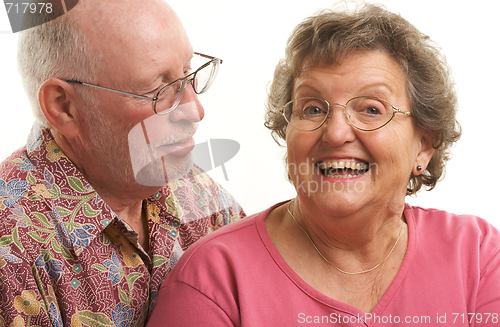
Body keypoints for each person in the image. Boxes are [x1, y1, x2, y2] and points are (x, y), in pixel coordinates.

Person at [147, 3, 500, 326]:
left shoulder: (478, 255)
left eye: (371, 109)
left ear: (423, 147)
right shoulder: (213, 280)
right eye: (313, 108)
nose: (335, 133)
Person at [0, 0, 245, 326]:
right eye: (160, 89)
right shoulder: (12, 259)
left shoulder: (204, 199)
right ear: (64, 107)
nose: (195, 110)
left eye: (188, 73)